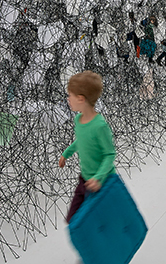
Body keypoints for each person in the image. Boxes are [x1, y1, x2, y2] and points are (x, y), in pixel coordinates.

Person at [59, 71, 117, 224]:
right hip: (84, 180)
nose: (67, 99)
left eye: (70, 95)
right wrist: (66, 154)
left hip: (102, 182)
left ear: (81, 99)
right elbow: (81, 141)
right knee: (73, 219)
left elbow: (109, 154)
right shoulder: (78, 120)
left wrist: (98, 178)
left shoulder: (99, 126)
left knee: (100, 221)